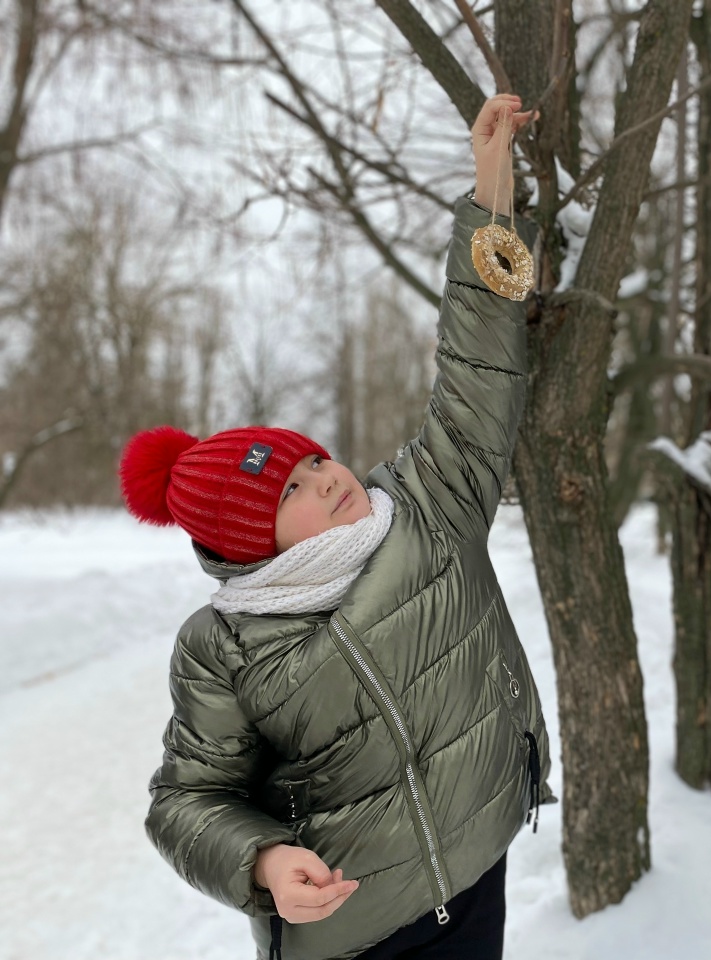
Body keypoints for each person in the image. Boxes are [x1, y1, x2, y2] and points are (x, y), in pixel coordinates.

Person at [119, 95, 553, 960]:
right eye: (295, 490)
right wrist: (263, 860)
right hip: (351, 937)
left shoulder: (426, 509)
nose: (329, 477)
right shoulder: (225, 647)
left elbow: (478, 371)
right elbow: (183, 802)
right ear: (251, 544)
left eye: (318, 461)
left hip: (474, 875)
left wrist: (491, 195)